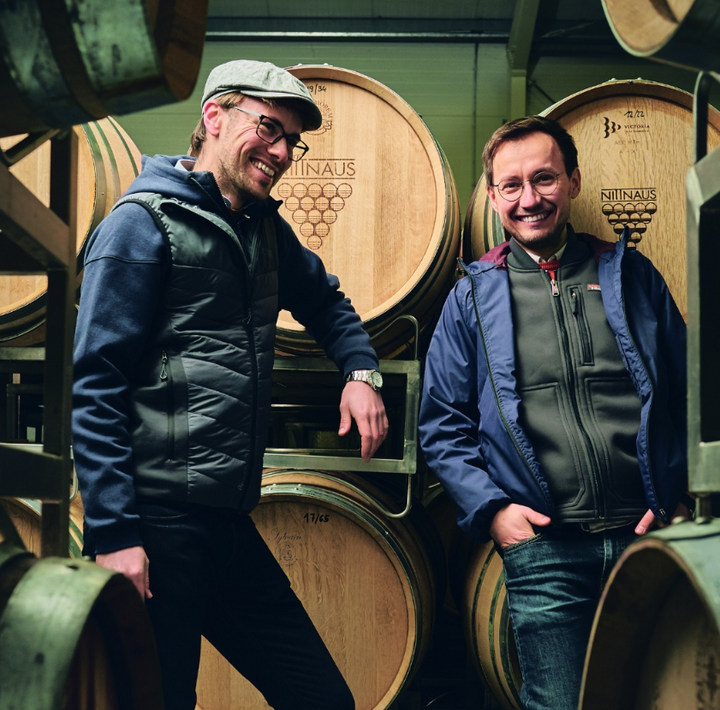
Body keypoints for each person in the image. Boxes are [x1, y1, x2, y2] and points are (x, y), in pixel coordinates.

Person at [72, 59, 389, 710]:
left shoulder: (264, 230)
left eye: (292, 141)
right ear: (214, 117)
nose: (281, 153)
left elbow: (327, 303)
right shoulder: (142, 224)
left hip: (226, 521)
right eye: (269, 128)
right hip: (156, 525)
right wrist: (114, 536)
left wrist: (361, 373)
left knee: (322, 698)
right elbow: (95, 384)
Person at [418, 115, 690, 710]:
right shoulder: (472, 295)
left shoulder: (630, 274)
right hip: (545, 549)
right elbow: (442, 426)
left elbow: (687, 393)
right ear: (493, 197)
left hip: (647, 537)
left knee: (661, 698)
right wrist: (494, 513)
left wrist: (675, 495)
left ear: (573, 181)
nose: (529, 198)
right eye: (511, 185)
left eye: (543, 178)